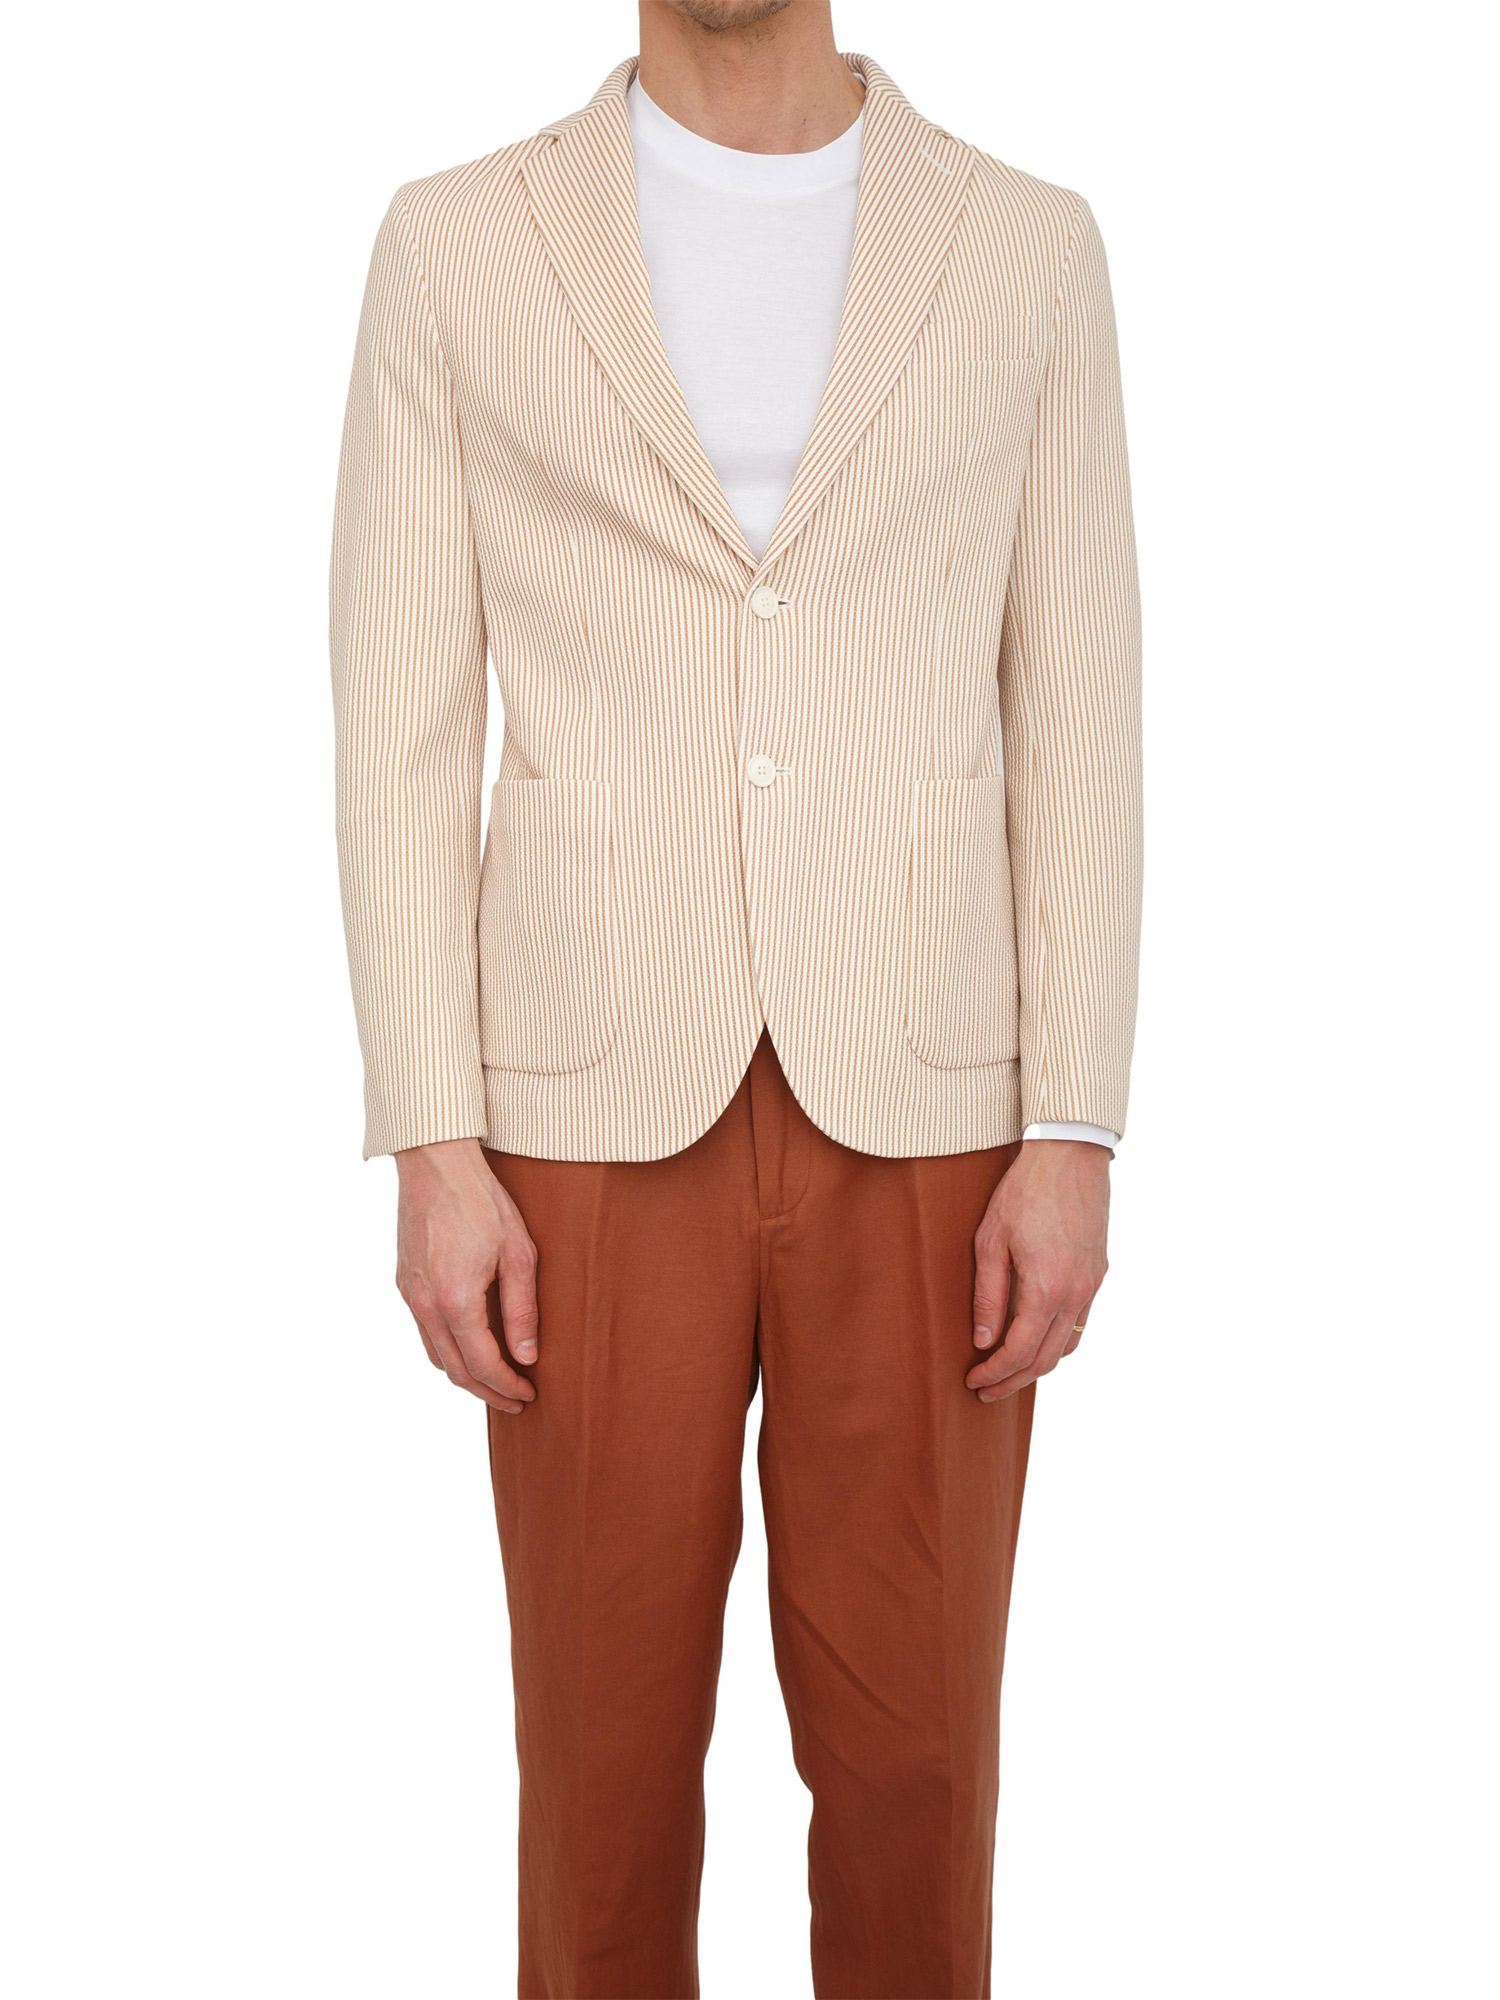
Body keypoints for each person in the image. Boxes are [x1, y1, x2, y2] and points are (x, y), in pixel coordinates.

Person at [329, 1, 1140, 1992]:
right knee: (598, 1778)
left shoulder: (1026, 246)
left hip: (934, 1101)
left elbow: (1081, 701)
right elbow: (400, 722)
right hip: (581, 1107)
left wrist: (1075, 1121)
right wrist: (432, 1137)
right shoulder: (458, 243)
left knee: (917, 1772)